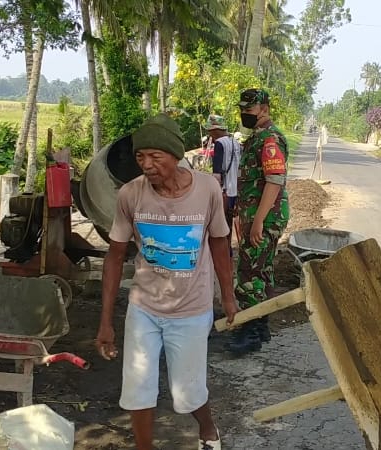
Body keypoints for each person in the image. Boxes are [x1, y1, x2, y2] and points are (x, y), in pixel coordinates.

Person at [94, 113, 238, 450]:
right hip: (144, 306)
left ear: (175, 155)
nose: (147, 164)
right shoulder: (130, 195)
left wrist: (227, 296)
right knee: (137, 387)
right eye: (141, 157)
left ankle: (207, 427)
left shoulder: (207, 189)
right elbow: (115, 256)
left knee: (187, 392)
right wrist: (105, 322)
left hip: (191, 307)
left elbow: (219, 242)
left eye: (155, 156)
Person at [225, 88, 290, 355]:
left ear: (264, 109)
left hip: (265, 216)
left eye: (249, 111)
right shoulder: (257, 138)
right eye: (242, 110)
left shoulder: (270, 139)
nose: (244, 115)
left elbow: (274, 181)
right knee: (261, 270)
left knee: (249, 272)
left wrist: (258, 222)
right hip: (256, 215)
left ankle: (250, 331)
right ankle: (260, 328)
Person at [207, 114, 242, 254]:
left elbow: (217, 174)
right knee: (231, 223)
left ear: (215, 130)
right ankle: (229, 251)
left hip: (225, 191)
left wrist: (212, 193)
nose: (210, 135)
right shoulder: (236, 143)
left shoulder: (220, 144)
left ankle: (224, 252)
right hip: (236, 191)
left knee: (221, 225)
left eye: (210, 131)